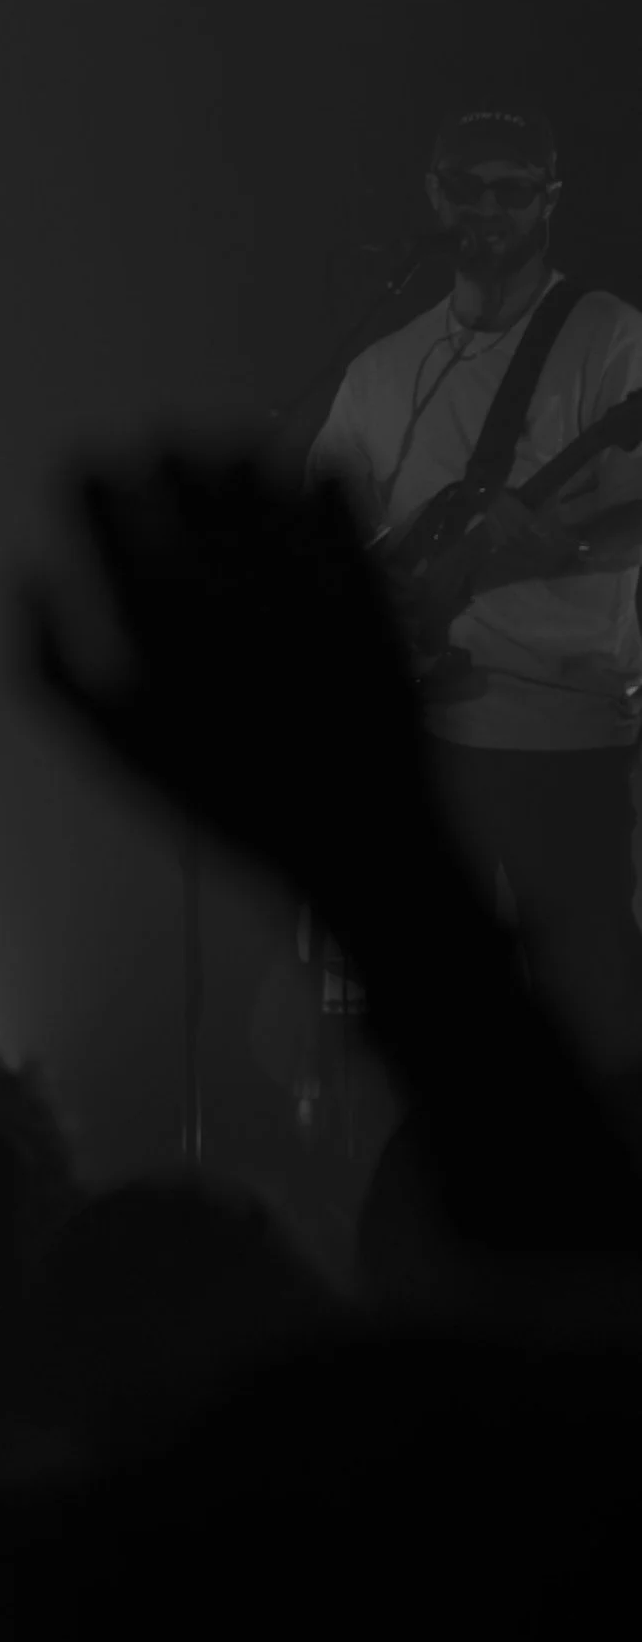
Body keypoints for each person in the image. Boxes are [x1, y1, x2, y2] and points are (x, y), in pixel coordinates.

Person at [305, 102, 642, 1073]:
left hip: (568, 741)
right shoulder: (381, 370)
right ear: (434, 195)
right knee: (431, 1036)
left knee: (584, 1032)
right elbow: (321, 533)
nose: (488, 210)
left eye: (512, 191)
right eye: (468, 189)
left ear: (548, 202)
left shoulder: (608, 343)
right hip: (426, 752)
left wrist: (562, 551)